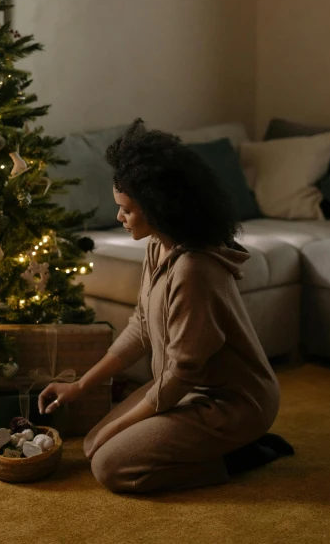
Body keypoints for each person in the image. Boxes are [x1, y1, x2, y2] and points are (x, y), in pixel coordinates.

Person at [38, 118, 294, 494]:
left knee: (111, 467)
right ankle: (207, 446)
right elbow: (141, 326)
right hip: (185, 389)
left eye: (126, 209)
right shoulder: (158, 245)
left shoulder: (194, 270)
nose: (119, 218)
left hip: (231, 404)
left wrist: (118, 426)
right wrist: (80, 386)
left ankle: (242, 454)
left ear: (158, 207)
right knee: (94, 445)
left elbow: (180, 375)